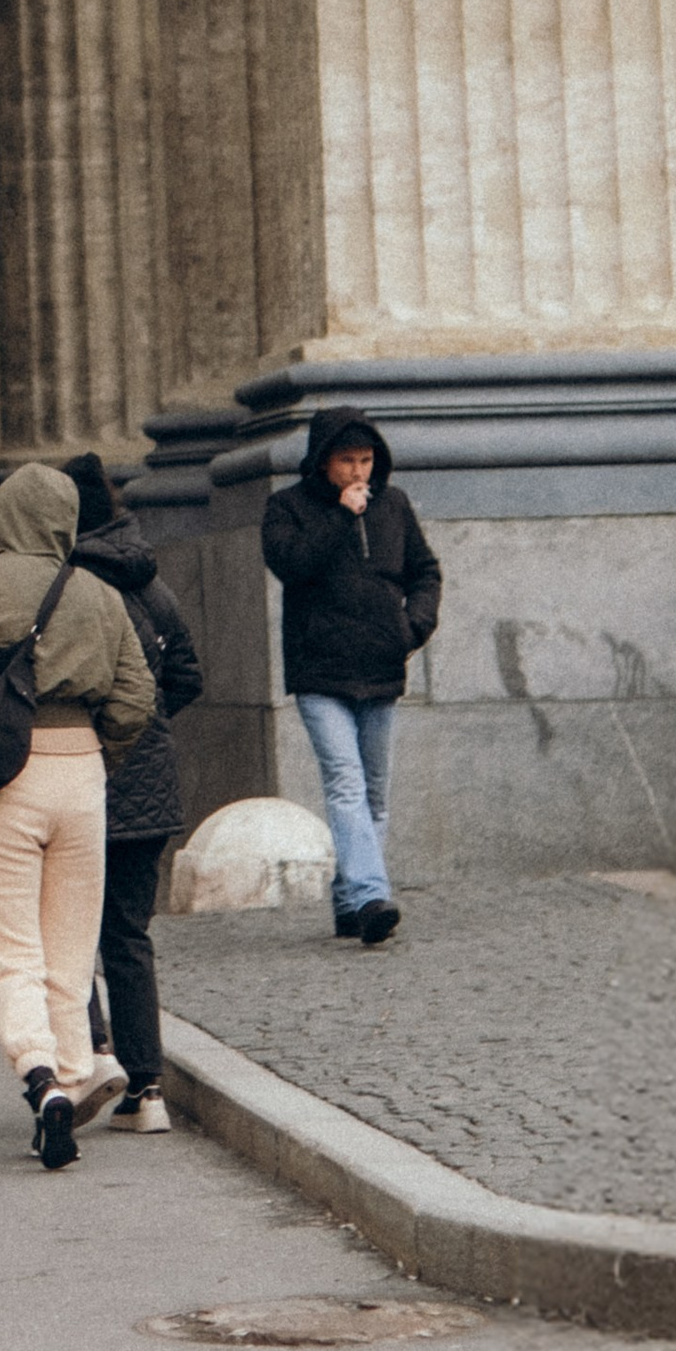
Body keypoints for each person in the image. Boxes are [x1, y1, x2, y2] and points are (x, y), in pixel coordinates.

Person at [0, 464, 154, 1171]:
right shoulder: (100, 593)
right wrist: (100, 753)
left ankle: (41, 1080)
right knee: (71, 946)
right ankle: (78, 1070)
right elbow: (137, 696)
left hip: (2, 773)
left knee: (9, 944)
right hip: (82, 772)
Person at [260, 405, 441, 948]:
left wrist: (411, 627)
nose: (359, 472)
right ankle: (369, 895)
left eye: (365, 460)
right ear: (322, 463)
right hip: (321, 671)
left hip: (381, 665)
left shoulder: (395, 506)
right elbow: (291, 564)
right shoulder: (286, 508)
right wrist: (340, 515)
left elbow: (425, 572)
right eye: (347, 461)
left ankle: (348, 902)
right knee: (346, 782)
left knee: (376, 794)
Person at [63, 456, 204, 1131]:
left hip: (78, 776)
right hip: (147, 784)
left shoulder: (63, 585)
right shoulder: (150, 583)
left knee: (70, 935)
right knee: (129, 936)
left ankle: (95, 1057)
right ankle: (147, 1091)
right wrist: (143, 730)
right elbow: (187, 675)